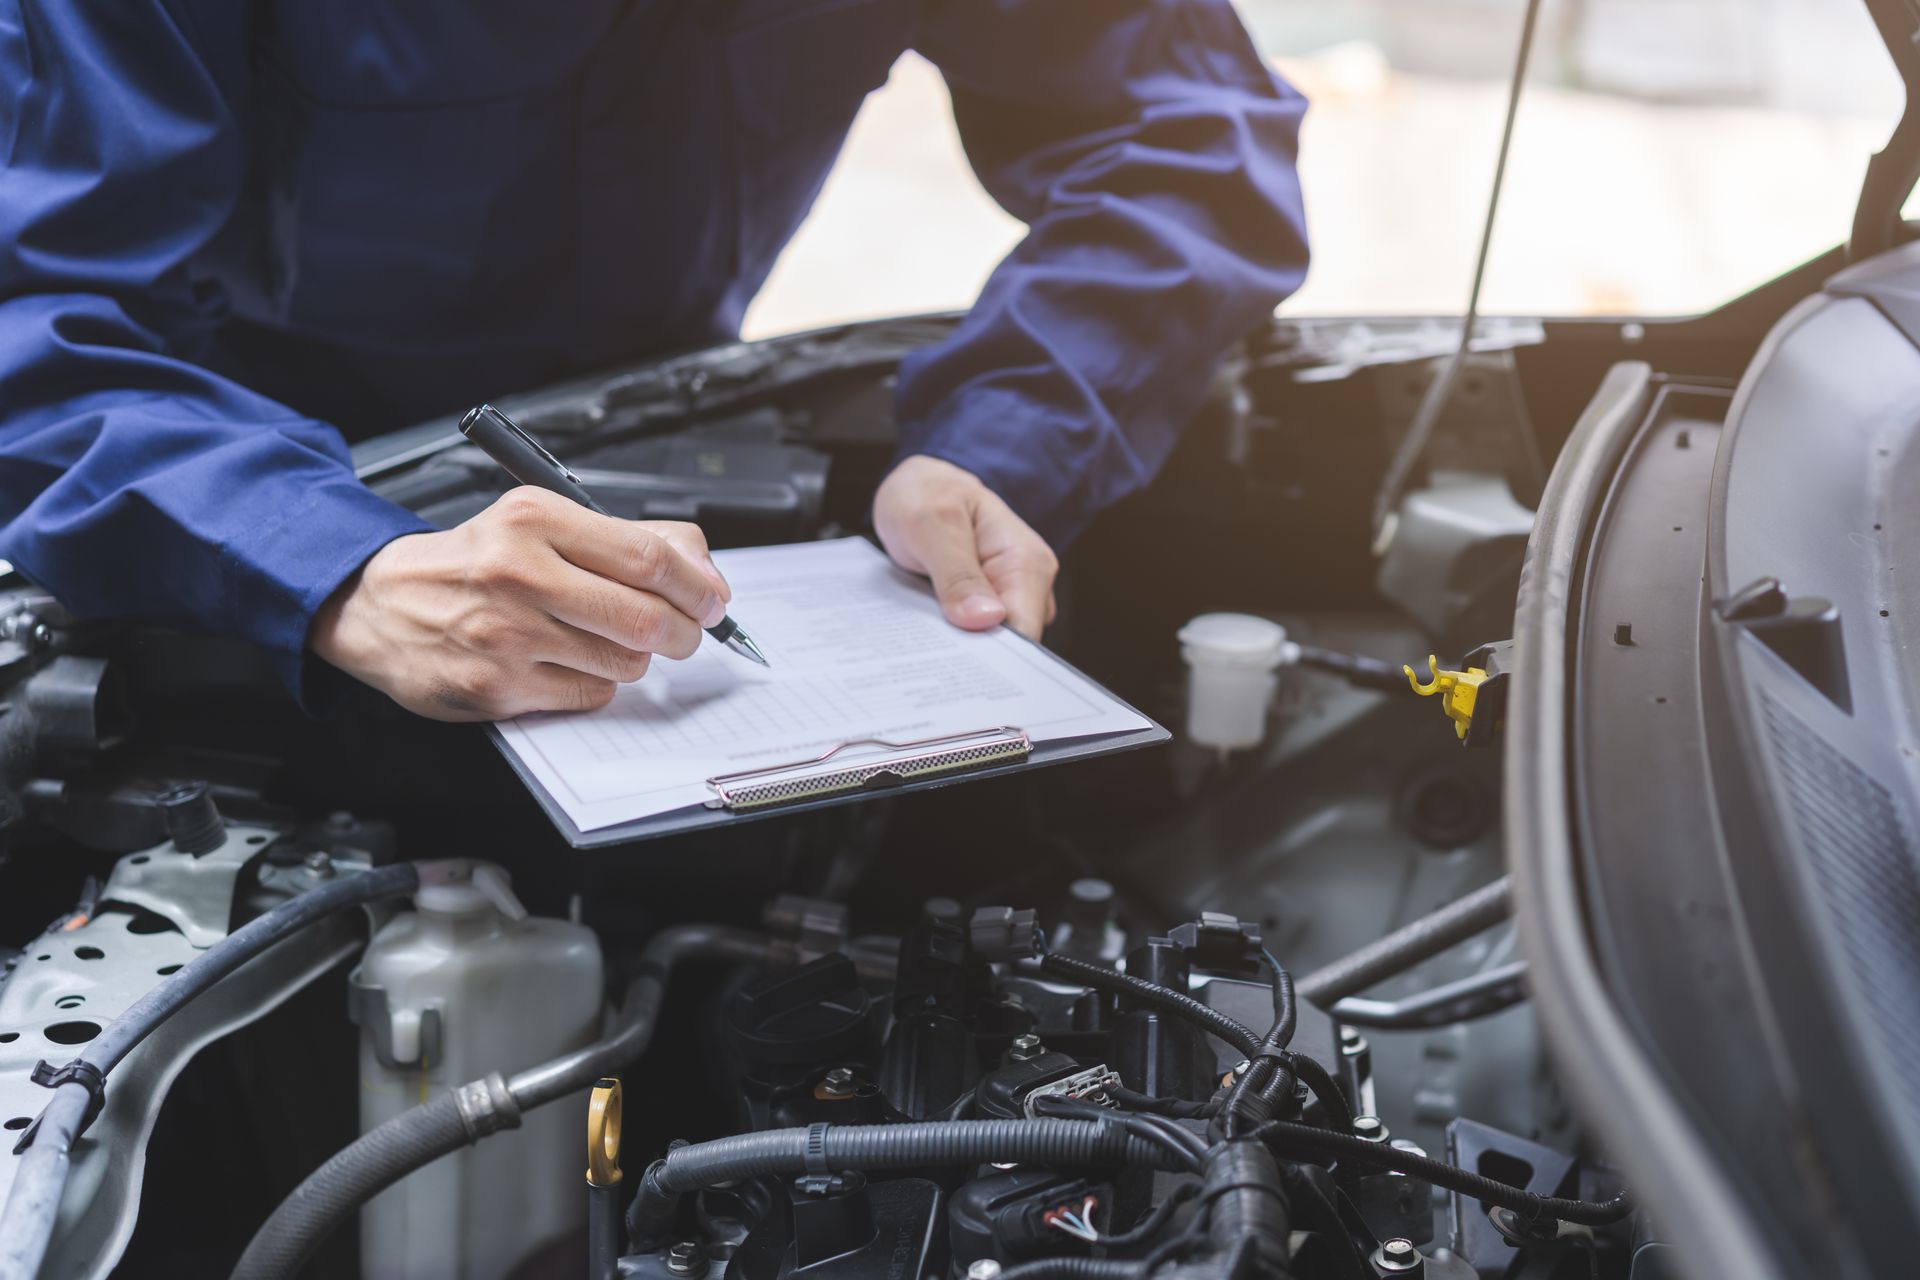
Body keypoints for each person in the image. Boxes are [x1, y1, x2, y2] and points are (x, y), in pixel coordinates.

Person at [0, 1, 1308, 721]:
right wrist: (335, 562)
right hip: (225, 522)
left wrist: (997, 445)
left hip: (645, 513)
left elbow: (1195, 136)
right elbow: (28, 314)